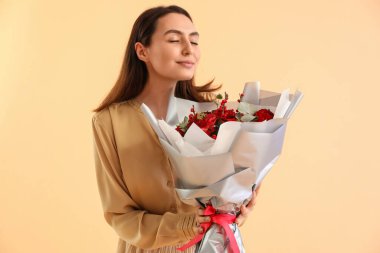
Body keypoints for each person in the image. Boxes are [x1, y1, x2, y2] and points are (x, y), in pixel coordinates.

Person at [91, 5, 260, 253]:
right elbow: (119, 215)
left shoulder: (215, 114)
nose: (188, 50)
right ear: (142, 51)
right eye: (174, 39)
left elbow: (230, 191)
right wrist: (184, 225)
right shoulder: (110, 122)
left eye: (194, 41)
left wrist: (239, 206)